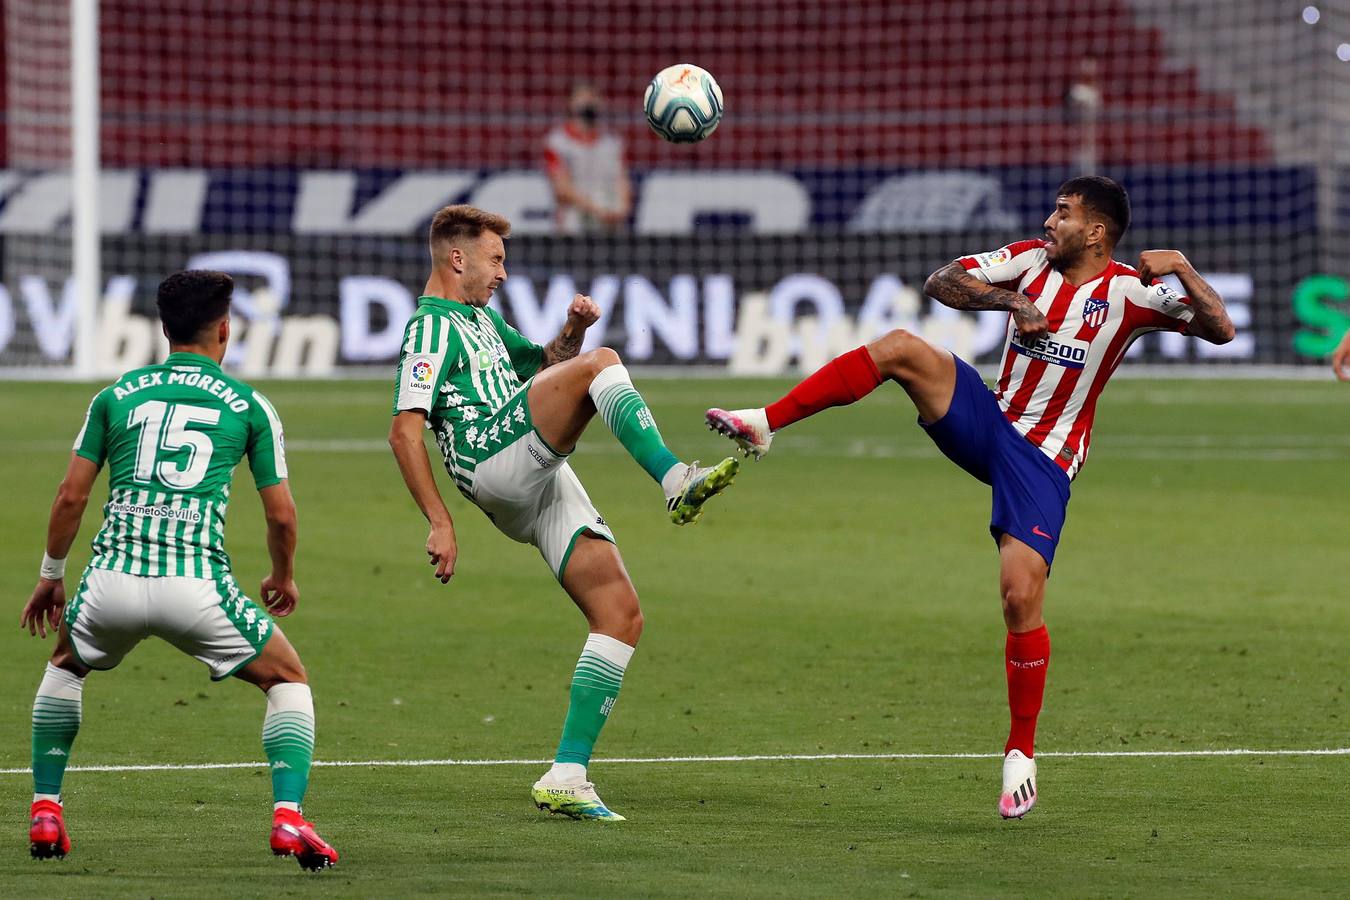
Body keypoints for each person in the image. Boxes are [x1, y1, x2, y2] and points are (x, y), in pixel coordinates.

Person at [706, 176, 1235, 820]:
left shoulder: (1130, 292)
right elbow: (941, 280)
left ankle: (1020, 756)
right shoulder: (1029, 261)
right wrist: (1011, 304)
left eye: (1063, 214)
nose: (1049, 221)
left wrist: (1180, 266)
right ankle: (766, 421)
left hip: (1044, 460)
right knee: (901, 347)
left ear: (1096, 231)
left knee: (1019, 595)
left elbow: (1220, 329)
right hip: (989, 417)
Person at [387, 205, 737, 821]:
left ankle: (567, 775)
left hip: (533, 470)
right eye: (495, 259)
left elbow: (548, 371)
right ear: (457, 257)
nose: (502, 271)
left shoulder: (480, 322)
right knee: (602, 364)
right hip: (490, 456)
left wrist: (570, 330)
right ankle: (676, 478)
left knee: (620, 614)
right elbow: (403, 432)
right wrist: (439, 521)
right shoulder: (429, 329)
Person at [19, 270, 338, 870]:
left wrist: (51, 573)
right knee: (288, 680)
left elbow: (69, 496)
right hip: (196, 587)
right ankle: (289, 820)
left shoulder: (115, 395)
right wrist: (282, 574)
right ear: (225, 327)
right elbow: (282, 515)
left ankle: (45, 810)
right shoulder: (249, 406)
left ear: (163, 330)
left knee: (65, 664)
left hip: (109, 580)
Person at [543, 84, 632, 234]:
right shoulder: (557, 142)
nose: (588, 102)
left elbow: (622, 180)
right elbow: (562, 188)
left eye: (592, 97)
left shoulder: (612, 143)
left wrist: (622, 209)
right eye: (582, 97)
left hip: (608, 220)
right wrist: (596, 209)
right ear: (571, 103)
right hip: (574, 221)